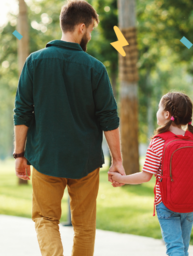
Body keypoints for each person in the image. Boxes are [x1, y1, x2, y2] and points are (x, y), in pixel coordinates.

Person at [13, 1, 124, 255]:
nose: (91, 35)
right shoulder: (95, 68)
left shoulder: (34, 62)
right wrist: (117, 160)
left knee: (45, 219)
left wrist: (20, 154)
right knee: (85, 226)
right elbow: (109, 118)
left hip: (45, 158)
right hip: (84, 161)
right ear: (81, 28)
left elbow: (22, 112)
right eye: (91, 30)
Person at [111, 92, 193, 256]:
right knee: (183, 248)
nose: (158, 112)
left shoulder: (159, 142)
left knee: (174, 248)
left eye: (159, 108)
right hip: (190, 204)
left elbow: (146, 176)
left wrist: (122, 179)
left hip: (166, 202)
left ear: (167, 114)